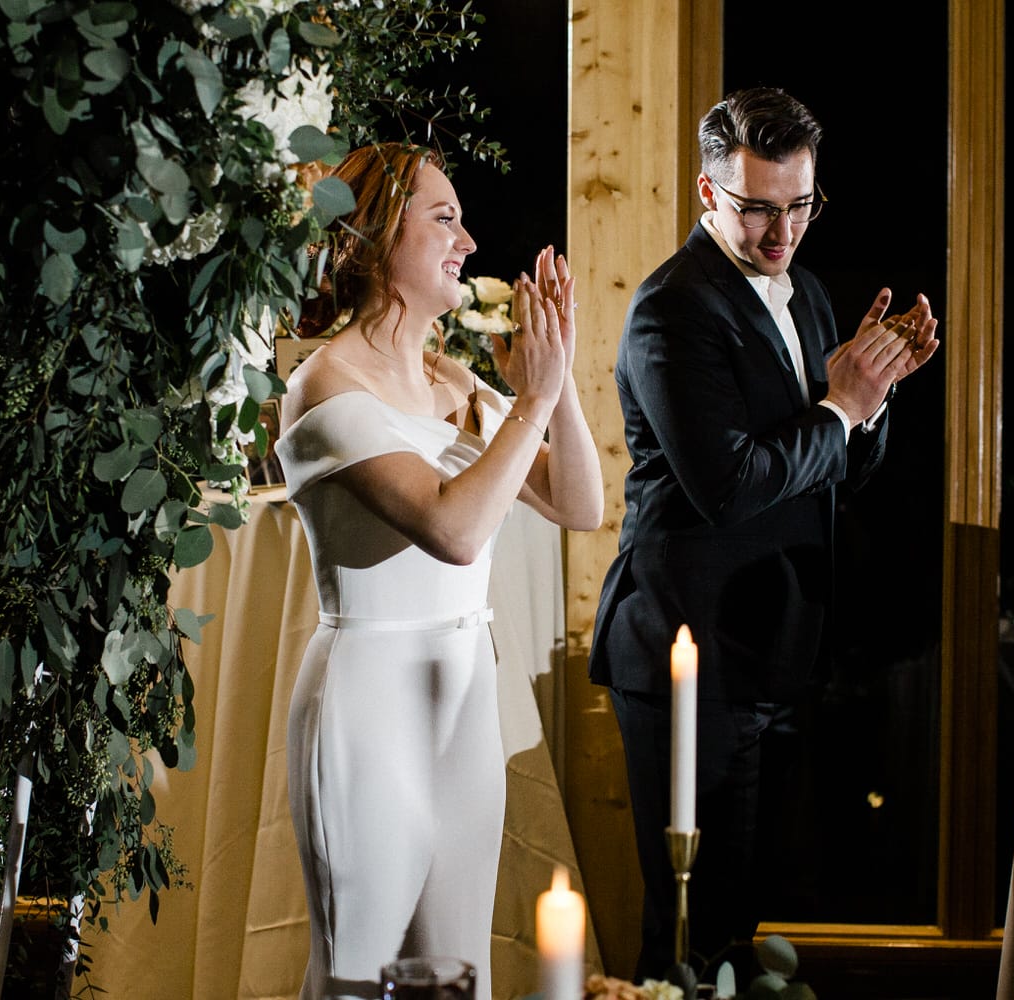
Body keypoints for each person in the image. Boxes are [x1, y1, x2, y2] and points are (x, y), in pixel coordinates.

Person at [588, 87, 940, 977]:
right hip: (689, 654)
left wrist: (874, 392)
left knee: (749, 931)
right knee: (688, 936)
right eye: (757, 210)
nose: (783, 233)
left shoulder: (811, 293)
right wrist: (841, 404)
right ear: (708, 194)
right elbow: (730, 484)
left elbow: (842, 469)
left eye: (800, 206)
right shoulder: (671, 310)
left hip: (779, 652)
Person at [274, 143, 603, 999]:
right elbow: (454, 531)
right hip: (367, 705)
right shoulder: (324, 386)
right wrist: (527, 403)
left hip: (464, 703)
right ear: (377, 236)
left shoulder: (451, 376)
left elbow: (579, 503)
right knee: (357, 972)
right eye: (445, 218)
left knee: (462, 977)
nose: (469, 238)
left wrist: (556, 378)